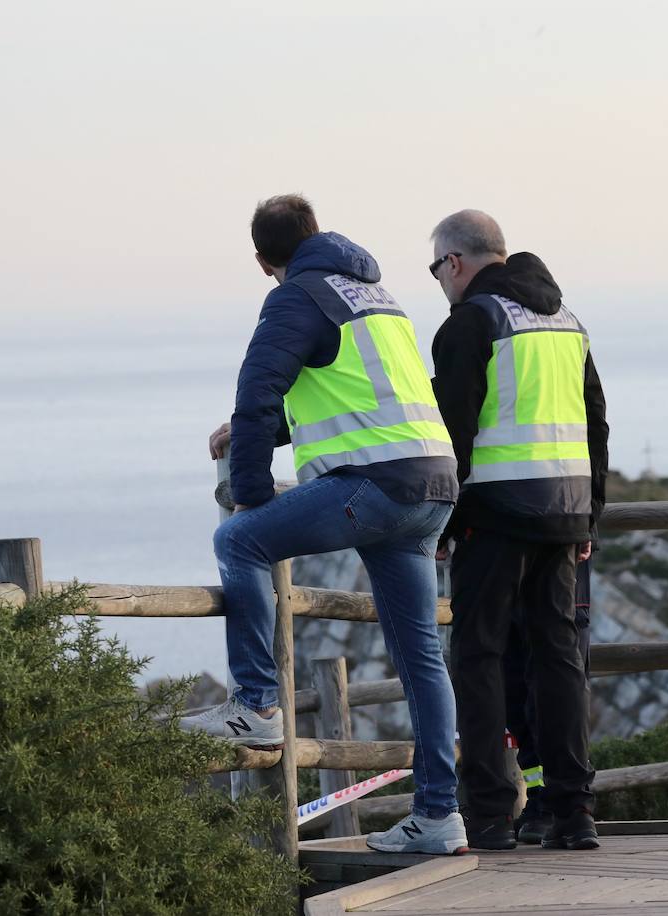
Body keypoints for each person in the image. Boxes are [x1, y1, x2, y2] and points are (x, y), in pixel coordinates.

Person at [183, 194, 467, 856]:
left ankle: (254, 707)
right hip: (433, 485)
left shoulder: (294, 298)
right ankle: (438, 817)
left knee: (238, 541)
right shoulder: (377, 296)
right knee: (422, 659)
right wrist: (273, 434)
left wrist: (250, 495)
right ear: (316, 233)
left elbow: (256, 396)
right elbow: (349, 396)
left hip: (375, 485)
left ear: (262, 260)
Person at [428, 209, 609, 851]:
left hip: (493, 518)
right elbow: (596, 422)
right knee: (558, 660)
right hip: (563, 516)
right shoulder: (566, 320)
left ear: (455, 262)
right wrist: (590, 516)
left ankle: (488, 815)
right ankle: (572, 811)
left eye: (435, 268)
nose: (438, 282)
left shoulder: (472, 322)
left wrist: (440, 524)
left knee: (476, 659)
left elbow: (453, 433)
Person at [504, 556, 592, 844]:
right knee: (525, 688)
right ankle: (562, 805)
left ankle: (555, 805)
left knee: (541, 689)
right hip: (563, 541)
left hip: (537, 550)